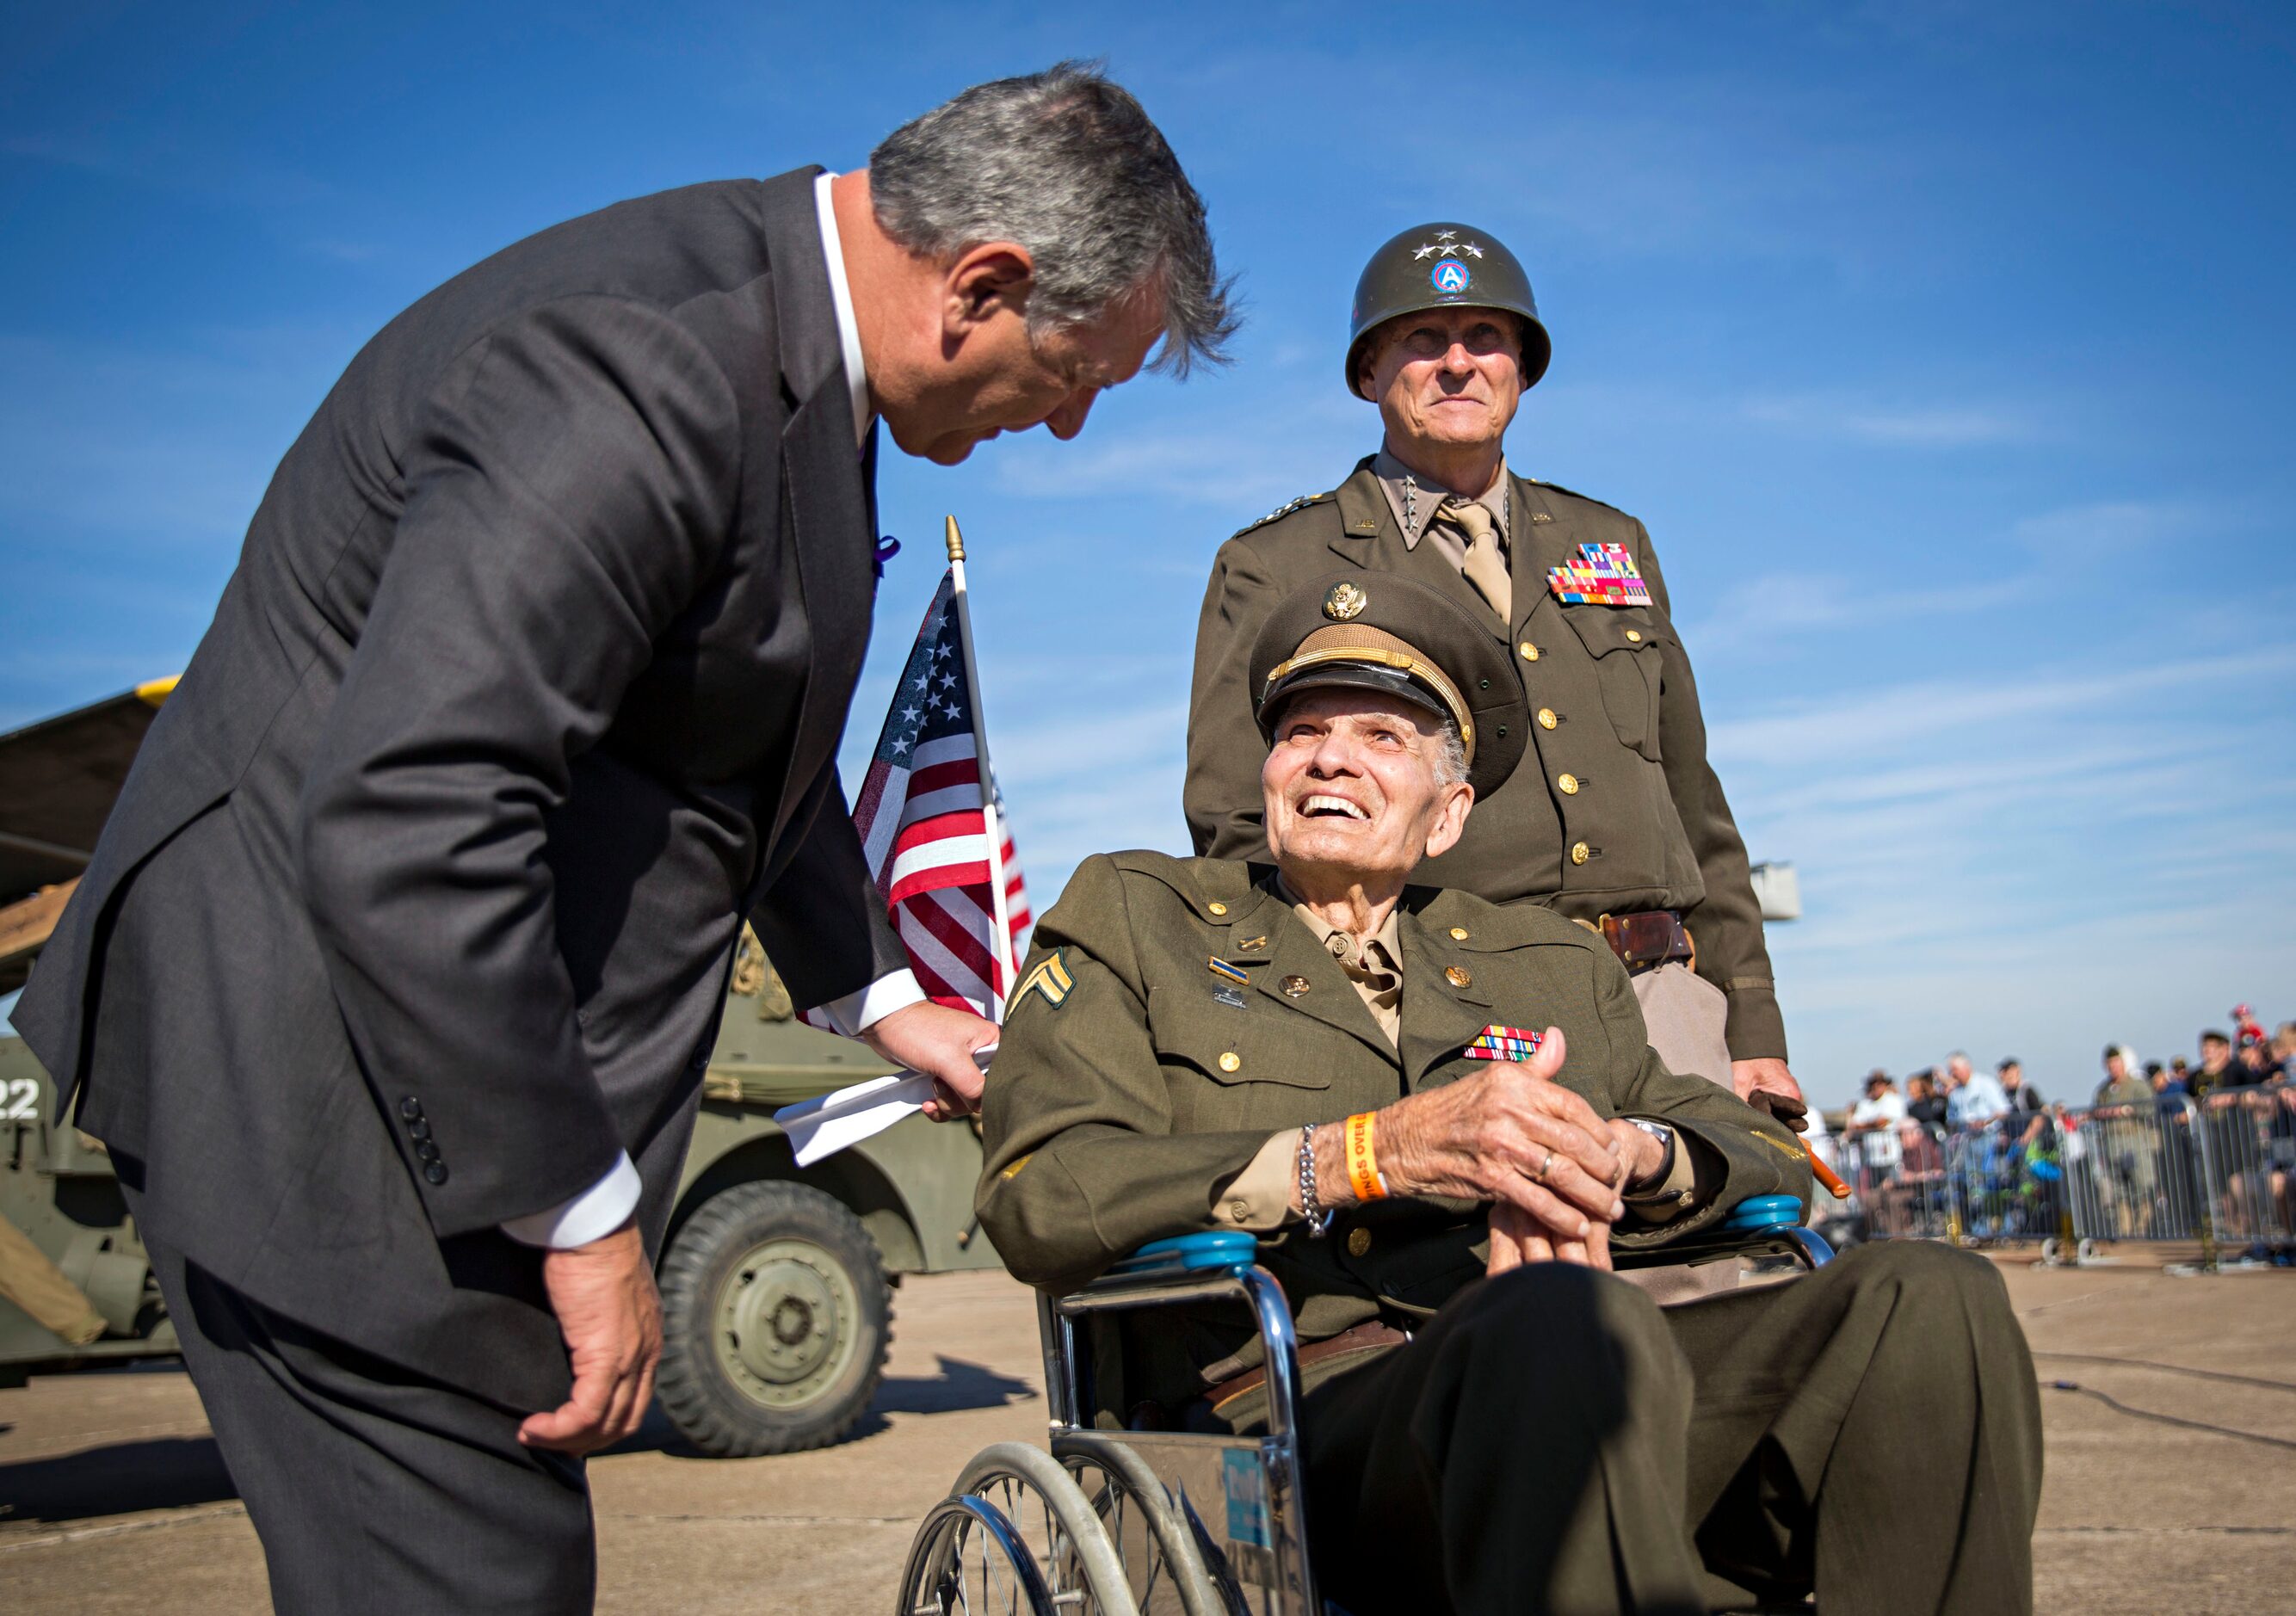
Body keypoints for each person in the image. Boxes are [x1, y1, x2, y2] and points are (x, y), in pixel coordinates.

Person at [11, 65, 1231, 1613]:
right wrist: (577, 1214)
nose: (1064, 427)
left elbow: (724, 732)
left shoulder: (787, 359)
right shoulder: (640, 364)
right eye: (1077, 375)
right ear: (979, 287)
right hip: (321, 1100)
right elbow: (416, 807)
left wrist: (878, 994)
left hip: (395, 1088)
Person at [980, 576, 2041, 1614]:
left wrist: (1629, 1154)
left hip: (1581, 1371)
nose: (1331, 756)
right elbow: (1042, 1186)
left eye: (1382, 737)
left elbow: (1751, 1147)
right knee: (1548, 1325)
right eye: (1302, 732)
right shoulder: (1140, 916)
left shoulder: (1542, 960)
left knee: (1926, 1298)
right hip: (1305, 1420)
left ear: (1447, 816)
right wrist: (1361, 1154)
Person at [1182, 222, 1805, 1138]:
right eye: (1423, 340)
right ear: (1368, 373)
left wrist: (1751, 1023)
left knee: (1705, 1273)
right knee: (1498, 1277)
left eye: (1486, 340)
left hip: (1665, 1006)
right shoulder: (1278, 563)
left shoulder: (1612, 543)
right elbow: (1237, 824)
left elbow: (1693, 803)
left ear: (1521, 368)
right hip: (1448, 1008)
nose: (1457, 364)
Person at [1846, 1070, 1907, 1184]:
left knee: (1894, 1186)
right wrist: (1873, 1124)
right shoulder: (1865, 1104)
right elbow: (1855, 1125)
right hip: (1872, 1158)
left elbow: (1882, 1122)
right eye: (1873, 1084)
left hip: (1891, 1155)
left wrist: (1866, 1125)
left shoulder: (1893, 1100)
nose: (1876, 1087)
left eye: (1880, 1083)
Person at [1945, 1050, 2010, 1130]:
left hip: (1988, 1136)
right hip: (1965, 1138)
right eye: (1950, 1071)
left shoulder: (1986, 1083)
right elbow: (1951, 1118)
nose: (1952, 1074)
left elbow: (2003, 1110)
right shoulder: (1954, 1092)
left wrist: (1984, 1122)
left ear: (1966, 1067)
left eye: (1955, 1070)